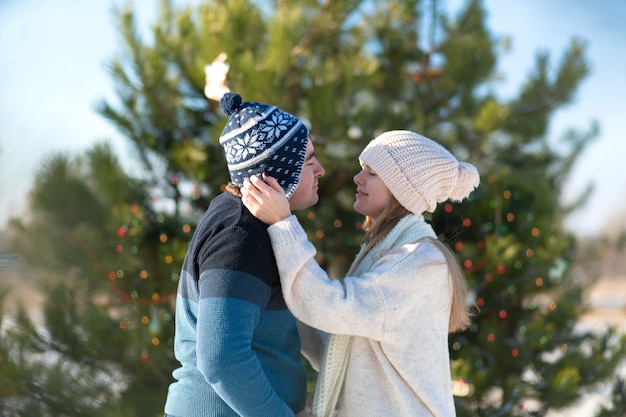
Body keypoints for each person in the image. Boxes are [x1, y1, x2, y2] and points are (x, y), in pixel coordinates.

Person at [241, 130, 480, 417]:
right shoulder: (384, 254)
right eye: (361, 168)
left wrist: (283, 224)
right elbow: (338, 348)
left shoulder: (418, 262)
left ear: (402, 188)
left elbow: (332, 307)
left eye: (372, 172)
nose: (357, 177)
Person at [164, 92, 325, 417]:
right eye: (308, 161)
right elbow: (222, 358)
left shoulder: (256, 227)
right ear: (277, 174)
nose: (320, 170)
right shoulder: (240, 235)